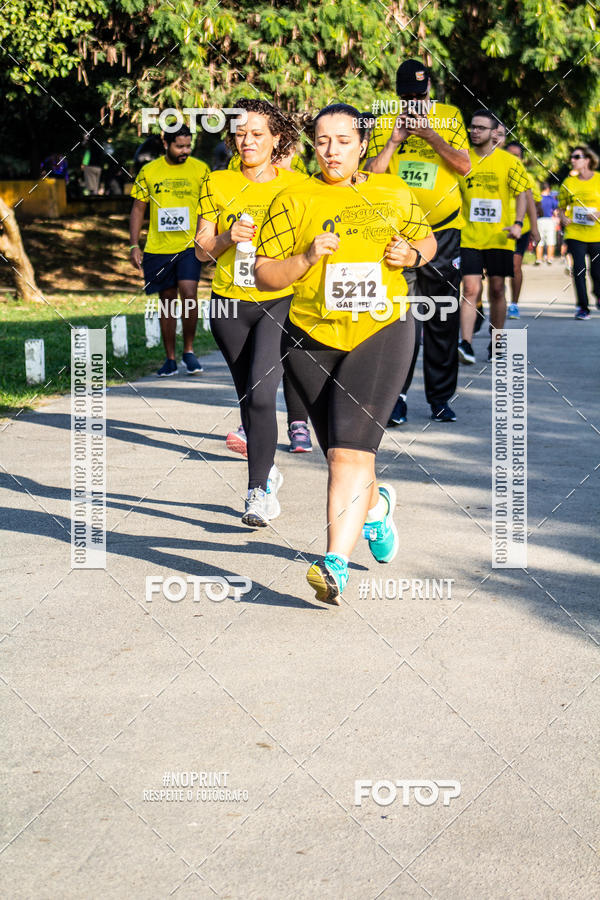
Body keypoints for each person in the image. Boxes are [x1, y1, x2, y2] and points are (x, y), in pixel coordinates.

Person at [254, 103, 437, 604]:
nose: (331, 151)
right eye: (322, 141)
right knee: (342, 451)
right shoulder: (293, 197)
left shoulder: (393, 191)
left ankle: (333, 564)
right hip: (311, 337)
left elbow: (427, 243)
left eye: (342, 141)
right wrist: (306, 257)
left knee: (347, 454)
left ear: (362, 144)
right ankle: (376, 508)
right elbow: (263, 275)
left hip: (382, 329)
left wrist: (411, 255)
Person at [195, 98, 305, 526]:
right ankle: (267, 468)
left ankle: (257, 491)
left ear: (277, 139)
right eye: (240, 133)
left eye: (258, 133)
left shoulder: (297, 185)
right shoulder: (217, 181)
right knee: (248, 396)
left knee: (261, 392)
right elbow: (202, 251)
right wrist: (228, 236)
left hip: (280, 300)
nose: (248, 141)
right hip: (229, 303)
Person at [364, 59, 470, 424]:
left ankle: (440, 399)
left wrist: (430, 136)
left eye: (419, 96)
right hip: (400, 234)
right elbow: (371, 176)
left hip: (444, 231)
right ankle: (396, 397)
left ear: (429, 92)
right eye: (407, 96)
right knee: (400, 319)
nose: (414, 103)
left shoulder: (449, 117)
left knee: (441, 315)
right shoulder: (384, 122)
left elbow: (464, 165)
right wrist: (394, 142)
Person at [224, 131, 313, 454]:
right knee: (260, 366)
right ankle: (253, 425)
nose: (278, 161)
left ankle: (298, 423)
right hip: (246, 290)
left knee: (291, 360)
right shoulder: (235, 175)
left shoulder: (301, 183)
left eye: (284, 154)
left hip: (291, 291)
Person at [130, 124, 209, 376]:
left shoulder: (200, 169)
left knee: (189, 293)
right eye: (179, 146)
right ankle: (170, 358)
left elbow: (209, 206)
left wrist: (207, 238)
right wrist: (134, 244)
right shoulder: (149, 171)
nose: (185, 151)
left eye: (188, 146)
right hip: (159, 247)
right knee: (167, 301)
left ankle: (189, 351)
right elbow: (138, 209)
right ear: (166, 144)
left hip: (189, 246)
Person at [458, 110, 530, 363]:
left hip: (500, 237)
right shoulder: (462, 159)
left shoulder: (509, 162)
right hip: (469, 235)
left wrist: (518, 223)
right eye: (472, 127)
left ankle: (497, 341)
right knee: (470, 288)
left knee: (497, 289)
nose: (475, 131)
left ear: (493, 133)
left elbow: (522, 194)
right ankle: (466, 344)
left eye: (481, 128)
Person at [558, 145, 600, 319]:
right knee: (579, 270)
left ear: (587, 160)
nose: (573, 160)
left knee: (597, 271)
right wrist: (563, 218)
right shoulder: (569, 183)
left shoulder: (598, 179)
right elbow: (561, 207)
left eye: (577, 157)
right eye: (572, 157)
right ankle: (582, 307)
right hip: (575, 233)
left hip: (597, 233)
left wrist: (598, 214)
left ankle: (598, 294)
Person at [505, 140, 541, 319]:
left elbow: (535, 205)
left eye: (516, 156)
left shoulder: (528, 178)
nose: (513, 158)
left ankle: (514, 304)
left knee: (514, 266)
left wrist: (534, 228)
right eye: (509, 154)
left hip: (521, 228)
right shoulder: (497, 171)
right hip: (497, 228)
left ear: (522, 159)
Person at [536, 182, 559, 265]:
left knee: (539, 241)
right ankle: (549, 258)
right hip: (549, 220)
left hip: (539, 220)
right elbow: (556, 210)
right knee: (550, 240)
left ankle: (539, 259)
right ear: (548, 189)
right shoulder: (551, 199)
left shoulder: (537, 198)